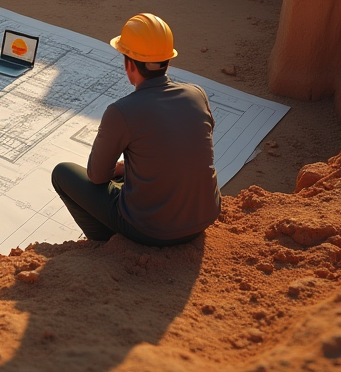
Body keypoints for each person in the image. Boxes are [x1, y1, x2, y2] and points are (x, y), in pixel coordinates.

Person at [52, 13, 221, 246]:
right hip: (204, 217)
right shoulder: (197, 94)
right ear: (168, 61)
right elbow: (179, 147)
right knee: (124, 178)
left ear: (128, 64)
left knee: (62, 173)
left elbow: (97, 176)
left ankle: (105, 242)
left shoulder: (121, 111)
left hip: (152, 230)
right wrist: (128, 168)